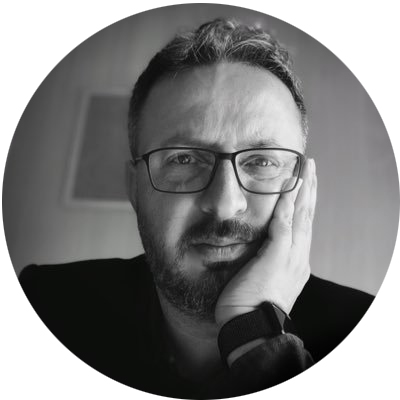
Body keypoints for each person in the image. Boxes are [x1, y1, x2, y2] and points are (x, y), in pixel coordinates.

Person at [19, 18, 373, 399]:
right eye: (184, 159)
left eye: (262, 161)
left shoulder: (368, 337)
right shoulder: (44, 305)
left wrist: (254, 335)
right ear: (134, 188)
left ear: (303, 186)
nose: (225, 204)